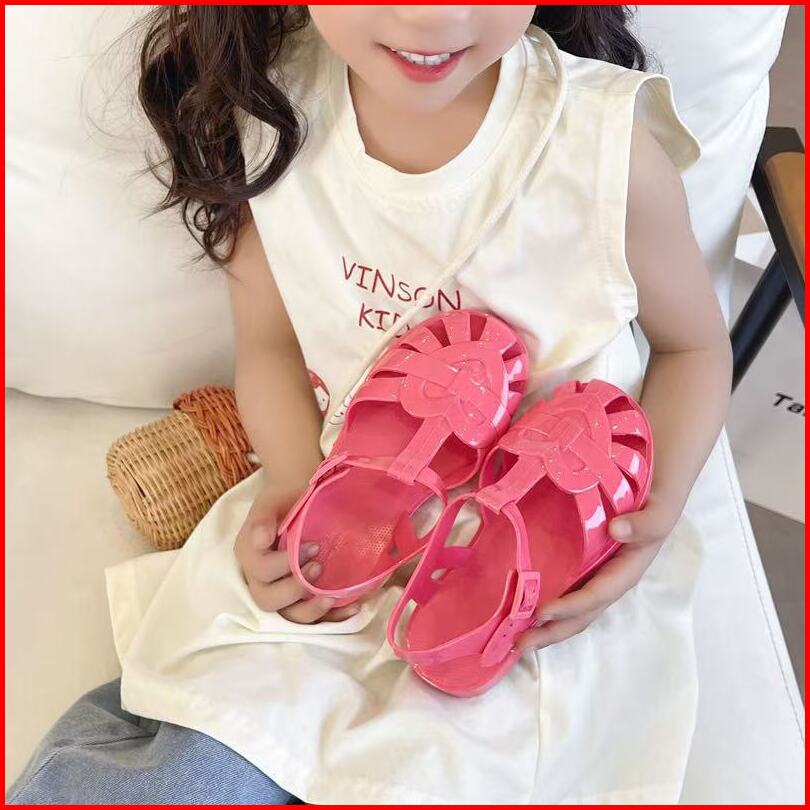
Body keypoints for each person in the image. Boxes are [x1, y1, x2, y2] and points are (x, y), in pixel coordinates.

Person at [8, 5, 732, 804]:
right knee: (188, 775)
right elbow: (269, 345)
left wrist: (652, 520)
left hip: (535, 586)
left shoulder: (604, 147)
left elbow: (694, 349)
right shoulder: (276, 111)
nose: (432, 16)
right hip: (351, 526)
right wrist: (295, 488)